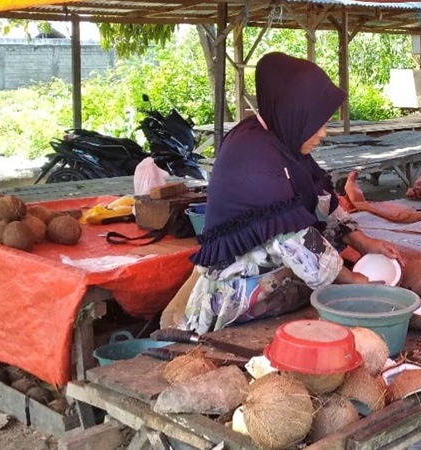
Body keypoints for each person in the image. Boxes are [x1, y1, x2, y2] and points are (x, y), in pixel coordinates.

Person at [169, 52, 401, 334]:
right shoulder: (253, 156)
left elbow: (322, 198)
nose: (324, 133)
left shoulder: (282, 140)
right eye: (317, 124)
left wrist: (364, 243)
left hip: (277, 279)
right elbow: (295, 240)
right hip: (234, 296)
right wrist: (353, 281)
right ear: (293, 113)